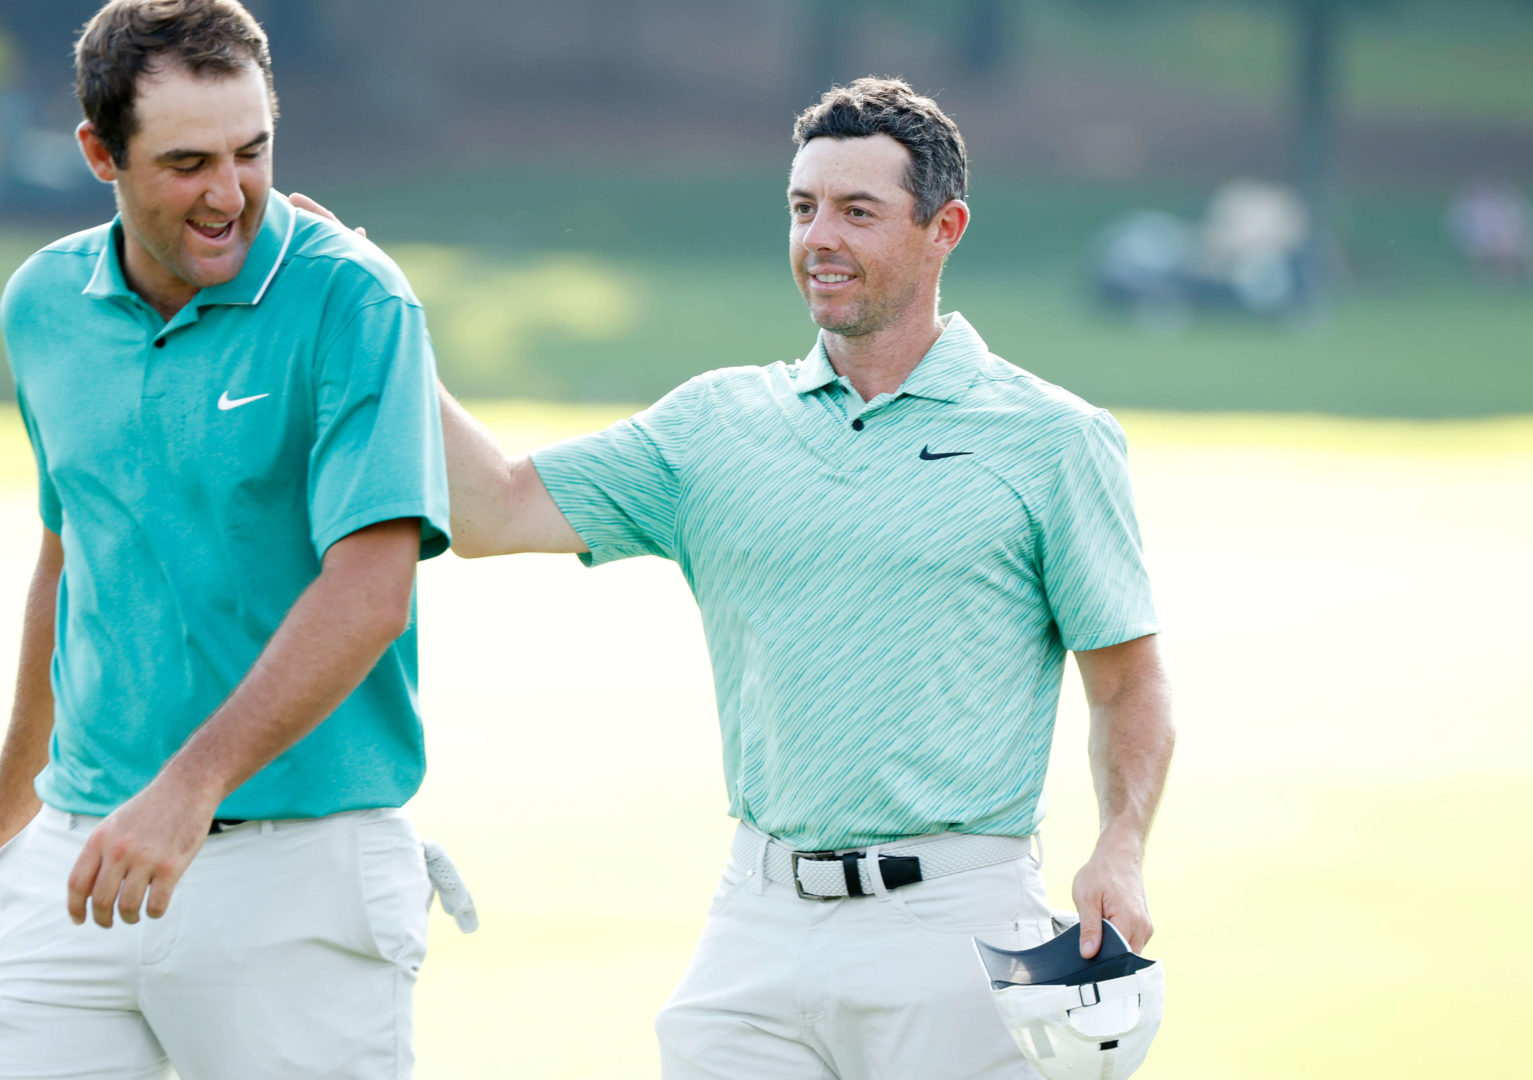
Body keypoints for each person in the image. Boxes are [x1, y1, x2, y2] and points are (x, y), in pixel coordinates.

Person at [433, 77, 1175, 1079]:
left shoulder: (1052, 440)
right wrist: (379, 316)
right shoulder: (711, 427)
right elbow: (490, 510)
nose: (819, 236)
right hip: (755, 925)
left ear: (942, 228)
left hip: (959, 930)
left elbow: (1127, 681)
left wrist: (1120, 844)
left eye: (856, 211)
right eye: (803, 207)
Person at [0, 2, 461, 1077]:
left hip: (296, 877)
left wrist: (187, 792)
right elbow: (68, 560)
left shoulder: (356, 301)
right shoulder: (41, 304)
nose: (231, 194)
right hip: (75, 861)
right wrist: (1, 838)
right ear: (99, 153)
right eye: (187, 162)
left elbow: (370, 593)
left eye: (253, 151)